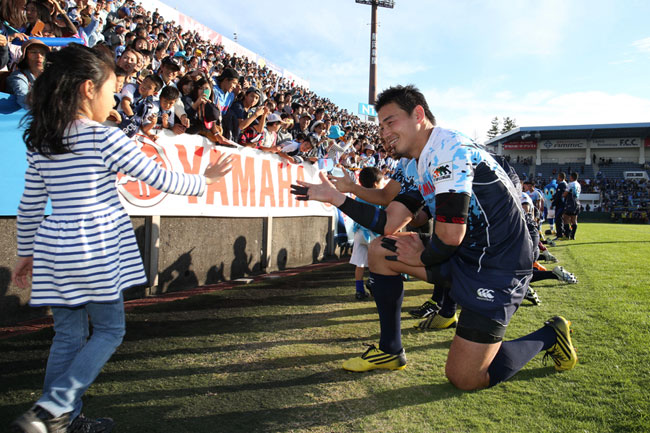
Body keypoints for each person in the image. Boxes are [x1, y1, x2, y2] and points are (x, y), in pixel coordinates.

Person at [292, 85, 577, 390]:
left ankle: (550, 334)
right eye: (381, 126)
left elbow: (451, 235)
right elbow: (391, 223)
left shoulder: (447, 149)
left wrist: (424, 256)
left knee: (465, 377)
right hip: (465, 254)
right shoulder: (419, 162)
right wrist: (338, 198)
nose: (383, 132)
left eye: (391, 122)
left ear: (418, 114)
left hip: (498, 266)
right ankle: (390, 350)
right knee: (381, 250)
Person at [10, 44, 232, 433]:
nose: (116, 98)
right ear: (87, 89)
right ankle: (54, 406)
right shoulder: (102, 137)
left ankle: (61, 420)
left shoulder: (42, 140)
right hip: (94, 246)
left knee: (68, 334)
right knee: (110, 330)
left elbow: (30, 204)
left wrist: (24, 253)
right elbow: (161, 178)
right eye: (112, 89)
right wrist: (206, 179)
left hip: (53, 245)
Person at [349, 167, 384, 300]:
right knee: (376, 262)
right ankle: (372, 283)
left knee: (360, 263)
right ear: (376, 183)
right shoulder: (379, 196)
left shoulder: (359, 196)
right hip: (374, 234)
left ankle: (359, 291)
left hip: (359, 232)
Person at [6, 39, 49, 109]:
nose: (39, 56)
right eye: (33, 52)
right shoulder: (18, 77)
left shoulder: (49, 76)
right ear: (25, 57)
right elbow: (23, 99)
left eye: (42, 53)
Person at [563, 172, 582, 240]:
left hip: (570, 203)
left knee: (566, 219)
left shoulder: (570, 184)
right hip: (577, 203)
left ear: (572, 177)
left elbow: (565, 194)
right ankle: (573, 235)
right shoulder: (579, 184)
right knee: (574, 220)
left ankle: (567, 235)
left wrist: (562, 195)